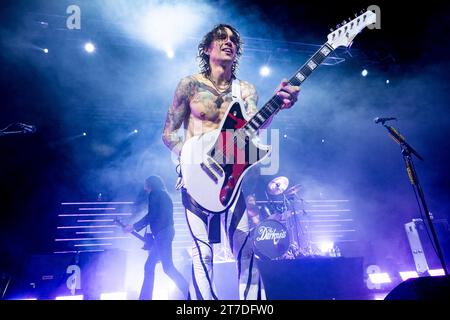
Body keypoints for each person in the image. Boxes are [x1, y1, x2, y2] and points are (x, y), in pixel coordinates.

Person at [162, 24, 300, 300]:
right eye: (221, 37)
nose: (229, 42)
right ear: (206, 47)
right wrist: (188, 160)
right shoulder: (189, 85)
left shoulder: (245, 89)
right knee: (201, 250)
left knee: (245, 247)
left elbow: (253, 127)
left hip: (232, 182)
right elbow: (168, 134)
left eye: (234, 39)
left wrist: (279, 104)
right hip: (195, 178)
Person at [124, 175, 188, 300]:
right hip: (165, 233)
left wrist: (134, 226)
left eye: (145, 183)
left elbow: (151, 215)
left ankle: (189, 291)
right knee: (152, 266)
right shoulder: (164, 194)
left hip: (162, 234)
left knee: (167, 267)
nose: (144, 187)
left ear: (150, 184)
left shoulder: (154, 194)